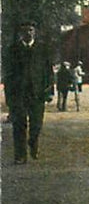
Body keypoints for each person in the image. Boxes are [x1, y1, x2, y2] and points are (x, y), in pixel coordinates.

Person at [4, 22, 54, 163]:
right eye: (25, 30)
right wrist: (9, 96)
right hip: (18, 94)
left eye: (31, 30)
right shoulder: (13, 50)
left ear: (35, 32)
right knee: (19, 124)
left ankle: (33, 142)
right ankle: (20, 155)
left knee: (36, 123)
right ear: (21, 33)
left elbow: (48, 72)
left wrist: (50, 91)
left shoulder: (42, 49)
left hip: (37, 93)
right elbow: (8, 75)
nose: (28, 33)